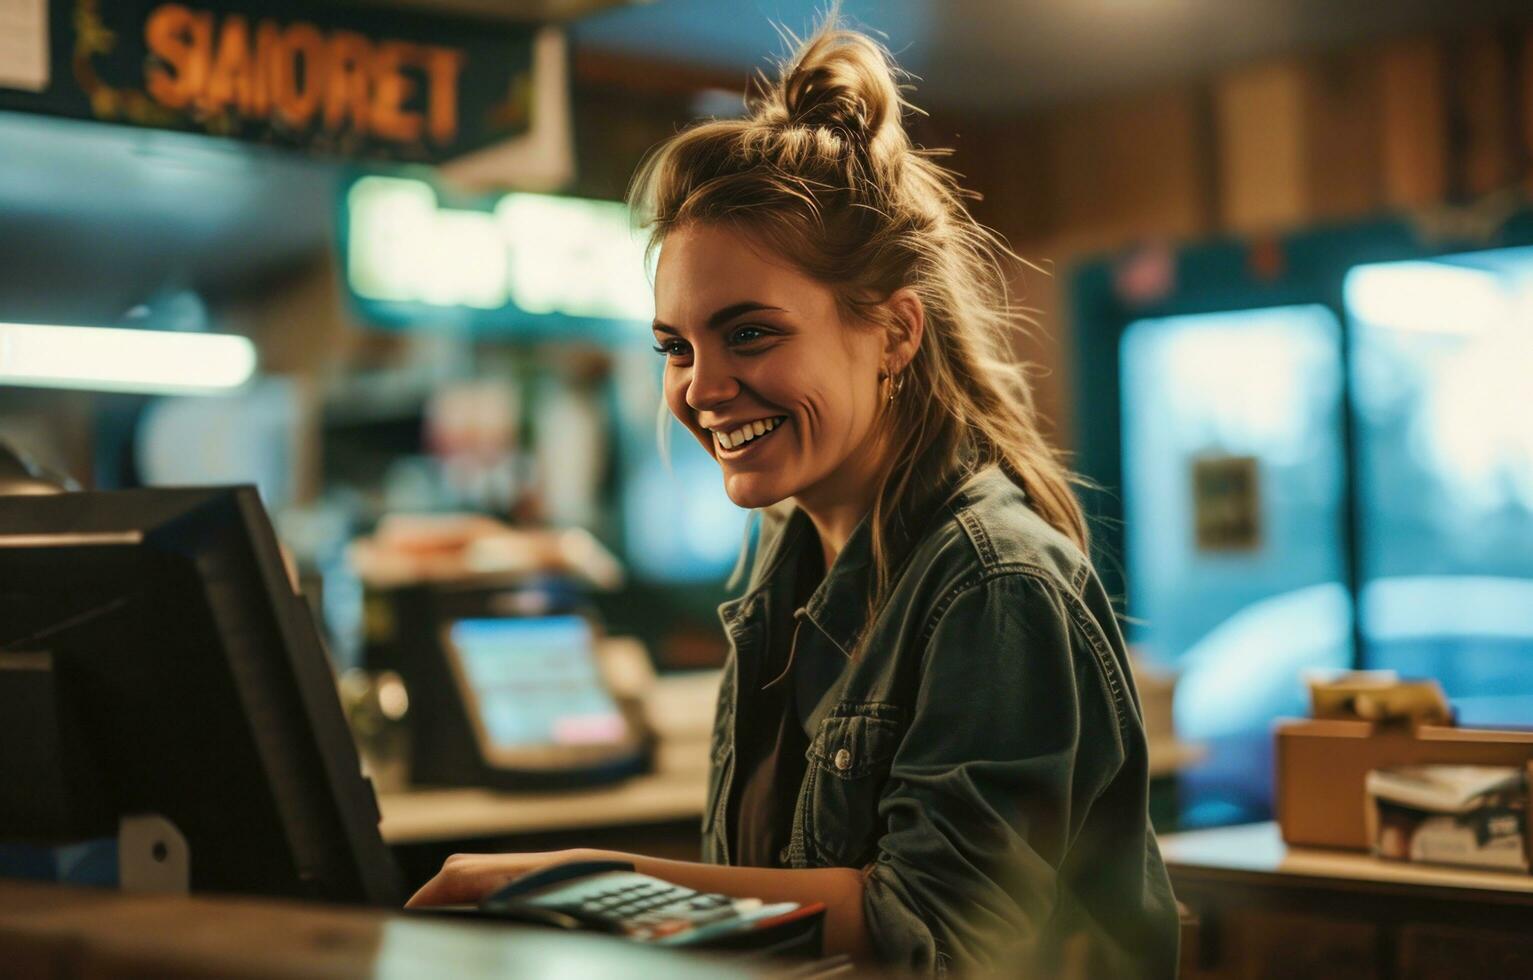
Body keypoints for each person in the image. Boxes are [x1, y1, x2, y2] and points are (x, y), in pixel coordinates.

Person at [407, 19, 1179, 977]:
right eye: (676, 347)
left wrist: (586, 879)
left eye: (751, 334)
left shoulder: (993, 582)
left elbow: (928, 929)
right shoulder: (787, 559)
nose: (700, 386)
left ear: (894, 331)